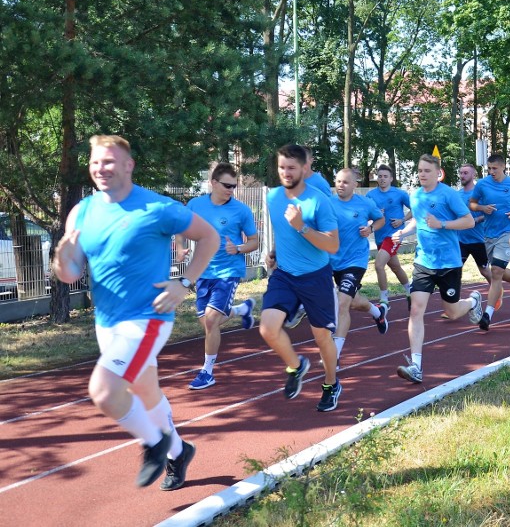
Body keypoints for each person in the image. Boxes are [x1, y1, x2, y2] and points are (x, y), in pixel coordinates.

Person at [53, 135, 219, 491]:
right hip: (107, 323)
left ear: (129, 165)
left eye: (110, 162)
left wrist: (185, 283)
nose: (101, 169)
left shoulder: (157, 208)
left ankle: (154, 443)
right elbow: (70, 274)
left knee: (103, 390)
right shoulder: (82, 212)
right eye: (96, 162)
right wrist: (61, 256)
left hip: (148, 317)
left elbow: (210, 238)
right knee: (146, 393)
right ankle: (178, 450)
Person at [258, 144, 342, 412]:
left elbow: (332, 246)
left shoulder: (318, 200)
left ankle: (331, 384)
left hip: (316, 277)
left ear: (304, 168)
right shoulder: (272, 197)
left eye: (291, 167)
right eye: (281, 167)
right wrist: (272, 252)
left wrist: (302, 227)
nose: (285, 172)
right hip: (284, 275)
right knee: (268, 328)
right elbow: (284, 233)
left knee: (322, 338)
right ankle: (296, 366)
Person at [393, 154, 484, 384]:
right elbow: (418, 221)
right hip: (423, 262)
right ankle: (416, 366)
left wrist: (442, 224)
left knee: (452, 312)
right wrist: (403, 232)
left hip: (449, 263)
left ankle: (473, 301)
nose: (422, 174)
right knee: (416, 310)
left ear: (438, 173)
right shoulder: (415, 196)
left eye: (426, 170)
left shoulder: (449, 195)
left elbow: (469, 221)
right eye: (419, 170)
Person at [179, 162, 259, 391]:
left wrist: (240, 248)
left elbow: (254, 241)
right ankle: (241, 310)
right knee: (206, 322)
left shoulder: (241, 210)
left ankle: (207, 371)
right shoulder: (196, 204)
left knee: (212, 320)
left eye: (234, 186)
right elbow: (181, 227)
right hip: (203, 271)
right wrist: (181, 246)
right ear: (213, 183)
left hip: (229, 271)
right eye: (227, 185)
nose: (231, 190)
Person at [329, 168, 390, 366]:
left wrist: (370, 228)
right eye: (338, 181)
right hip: (332, 261)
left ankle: (334, 355)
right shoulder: (328, 203)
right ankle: (377, 312)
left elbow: (381, 219)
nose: (340, 185)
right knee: (353, 302)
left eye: (345, 182)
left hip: (355, 261)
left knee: (343, 304)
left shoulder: (365, 203)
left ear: (355, 184)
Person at [469, 153, 510, 331]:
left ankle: (487, 315)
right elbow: (472, 204)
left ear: (503, 167)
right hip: (488, 234)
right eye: (489, 169)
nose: (492, 172)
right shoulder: (482, 184)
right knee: (498, 271)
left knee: (495, 271)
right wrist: (481, 208)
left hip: (508, 233)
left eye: (495, 168)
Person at [283, 145, 332, 330]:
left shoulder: (319, 183)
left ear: (310, 161)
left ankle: (304, 305)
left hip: (313, 240)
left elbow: (329, 212)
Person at [366, 164, 413, 308]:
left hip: (394, 236)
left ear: (391, 178)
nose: (382, 179)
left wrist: (403, 220)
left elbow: (415, 210)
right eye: (380, 176)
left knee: (378, 265)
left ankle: (384, 300)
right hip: (380, 237)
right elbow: (366, 216)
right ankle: (410, 291)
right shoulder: (371, 195)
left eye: (385, 176)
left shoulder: (400, 194)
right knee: (395, 267)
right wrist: (374, 215)